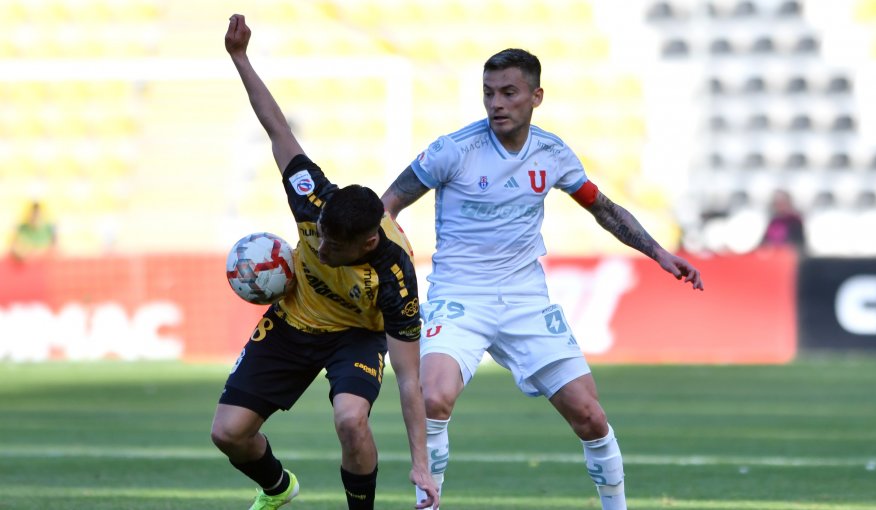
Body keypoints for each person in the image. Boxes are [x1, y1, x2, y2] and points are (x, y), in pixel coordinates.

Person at [381, 48, 704, 509]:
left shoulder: (553, 154)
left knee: (590, 417)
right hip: (459, 298)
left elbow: (603, 209)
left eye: (509, 93)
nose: (497, 103)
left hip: (525, 300)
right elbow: (386, 205)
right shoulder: (453, 150)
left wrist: (658, 253)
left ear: (536, 96)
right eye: (489, 93)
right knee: (434, 398)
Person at [211, 14, 438, 510]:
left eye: (334, 249)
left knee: (351, 419)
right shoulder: (315, 202)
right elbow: (276, 128)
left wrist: (420, 461)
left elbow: (409, 377)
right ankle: (277, 489)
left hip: (355, 335)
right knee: (228, 433)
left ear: (367, 242)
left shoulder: (395, 275)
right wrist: (241, 58)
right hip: (294, 320)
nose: (319, 249)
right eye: (319, 241)